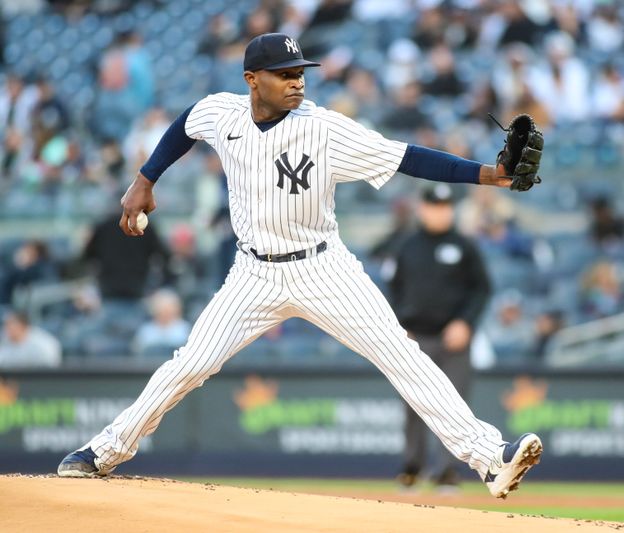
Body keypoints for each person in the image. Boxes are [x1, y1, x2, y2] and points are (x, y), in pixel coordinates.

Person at [57, 33, 543, 499]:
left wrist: (489, 174)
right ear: (252, 79)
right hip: (253, 274)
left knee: (403, 356)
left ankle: (489, 457)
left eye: (301, 72)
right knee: (190, 364)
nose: (298, 81)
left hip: (323, 268)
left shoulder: (323, 128)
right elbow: (187, 122)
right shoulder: (221, 113)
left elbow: (407, 158)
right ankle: (105, 450)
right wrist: (145, 177)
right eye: (284, 73)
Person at [388, 184, 491, 491]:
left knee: (454, 407)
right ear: (423, 209)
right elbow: (391, 289)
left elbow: (482, 289)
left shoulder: (464, 246)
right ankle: (412, 467)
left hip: (453, 339)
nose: (440, 212)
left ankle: (446, 472)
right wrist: (397, 326)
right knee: (414, 405)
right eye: (435, 206)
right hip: (415, 338)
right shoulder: (406, 246)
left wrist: (465, 322)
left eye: (446, 207)